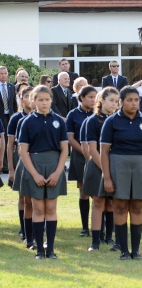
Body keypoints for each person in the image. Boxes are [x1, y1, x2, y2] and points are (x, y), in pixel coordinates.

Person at [100, 86, 142, 260]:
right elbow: (104, 152)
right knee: (120, 206)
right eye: (129, 100)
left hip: (141, 166)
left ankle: (136, 250)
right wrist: (107, 178)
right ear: (121, 102)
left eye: (136, 100)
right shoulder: (111, 121)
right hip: (119, 165)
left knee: (137, 207)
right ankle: (124, 250)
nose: (134, 103)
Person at [19, 85, 68, 259]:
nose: (44, 102)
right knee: (38, 207)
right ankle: (39, 249)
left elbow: (64, 149)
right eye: (40, 99)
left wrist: (57, 173)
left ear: (51, 100)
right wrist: (35, 174)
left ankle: (51, 249)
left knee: (51, 207)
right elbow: (23, 151)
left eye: (47, 99)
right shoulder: (27, 122)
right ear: (33, 101)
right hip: (35, 164)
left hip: (54, 164)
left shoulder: (59, 121)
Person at [82, 87, 119, 251]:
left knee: (112, 203)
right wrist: (105, 169)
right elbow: (92, 149)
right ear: (101, 100)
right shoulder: (93, 120)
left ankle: (109, 237)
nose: (114, 104)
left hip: (116, 165)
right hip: (98, 165)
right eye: (111, 100)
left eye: (117, 101)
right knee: (98, 202)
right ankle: (95, 241)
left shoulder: (119, 119)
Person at [66, 85, 97, 237]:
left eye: (95, 97)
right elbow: (70, 138)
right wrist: (85, 152)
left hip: (98, 156)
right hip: (79, 156)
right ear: (81, 98)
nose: (93, 100)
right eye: (90, 97)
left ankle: (100, 226)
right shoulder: (73, 114)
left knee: (98, 193)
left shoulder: (98, 114)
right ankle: (85, 227)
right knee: (83, 192)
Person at [7, 86, 33, 248]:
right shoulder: (16, 118)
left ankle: (35, 228)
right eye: (27, 96)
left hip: (38, 161)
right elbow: (10, 146)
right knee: (23, 197)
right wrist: (11, 169)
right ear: (21, 99)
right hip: (21, 160)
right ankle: (24, 230)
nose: (30, 99)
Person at [0, 66, 18, 174]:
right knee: (2, 141)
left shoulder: (12, 87)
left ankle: (7, 166)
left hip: (10, 116)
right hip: (0, 117)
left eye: (5, 73)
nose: (3, 76)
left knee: (9, 140)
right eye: (1, 73)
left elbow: (14, 104)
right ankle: (2, 164)